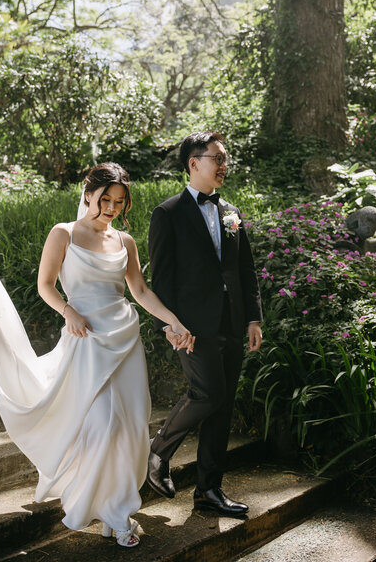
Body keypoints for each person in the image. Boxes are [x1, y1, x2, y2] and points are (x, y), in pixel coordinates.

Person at [0, 162, 194, 548]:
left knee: (133, 426)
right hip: (86, 340)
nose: (112, 207)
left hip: (125, 338)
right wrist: (69, 312)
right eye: (106, 199)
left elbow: (140, 291)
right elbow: (45, 285)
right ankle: (114, 513)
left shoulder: (125, 242)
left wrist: (174, 321)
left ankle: (115, 512)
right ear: (88, 194)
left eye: (119, 202)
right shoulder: (64, 234)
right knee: (103, 425)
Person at [147, 131, 262, 516]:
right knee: (207, 394)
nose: (224, 164)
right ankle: (159, 450)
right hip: (192, 328)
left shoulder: (231, 212)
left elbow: (244, 268)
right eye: (218, 157)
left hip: (231, 323)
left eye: (226, 157)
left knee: (223, 405)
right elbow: (162, 279)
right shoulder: (167, 213)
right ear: (194, 162)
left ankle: (209, 490)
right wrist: (172, 325)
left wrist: (252, 317)